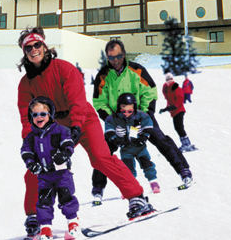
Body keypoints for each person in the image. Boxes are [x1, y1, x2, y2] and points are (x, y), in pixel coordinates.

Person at [16, 27, 154, 239]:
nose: (34, 50)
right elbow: (27, 117)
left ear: (44, 46)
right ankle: (34, 216)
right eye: (28, 47)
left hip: (82, 119)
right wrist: (31, 144)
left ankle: (137, 197)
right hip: (52, 128)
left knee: (100, 158)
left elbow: (77, 101)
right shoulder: (26, 83)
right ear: (24, 52)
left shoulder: (64, 69)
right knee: (36, 169)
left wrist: (76, 128)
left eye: (37, 45)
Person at [92, 40, 192, 199]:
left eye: (118, 56)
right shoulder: (103, 75)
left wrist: (142, 116)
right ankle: (97, 188)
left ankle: (183, 170)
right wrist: (112, 120)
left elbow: (149, 92)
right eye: (111, 58)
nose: (115, 60)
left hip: (141, 117)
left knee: (160, 139)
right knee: (104, 151)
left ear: (123, 54)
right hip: (118, 121)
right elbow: (99, 101)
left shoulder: (137, 70)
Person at [21, 96, 80, 240]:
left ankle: (73, 224)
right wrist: (30, 163)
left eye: (42, 114)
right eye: (35, 114)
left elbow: (68, 143)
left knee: (66, 197)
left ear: (50, 114)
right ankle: (46, 229)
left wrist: (64, 154)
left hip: (61, 172)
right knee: (44, 201)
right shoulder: (31, 136)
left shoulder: (60, 130)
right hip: (44, 175)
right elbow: (26, 151)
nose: (38, 117)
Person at [104, 93, 161, 196]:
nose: (126, 113)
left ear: (134, 107)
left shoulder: (141, 115)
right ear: (119, 107)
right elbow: (109, 129)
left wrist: (143, 137)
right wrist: (116, 139)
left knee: (146, 164)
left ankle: (154, 183)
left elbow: (148, 126)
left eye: (130, 111)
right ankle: (130, 188)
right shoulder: (113, 118)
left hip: (140, 147)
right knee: (128, 169)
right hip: (126, 149)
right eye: (123, 110)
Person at [161, 73, 196, 152]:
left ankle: (186, 144)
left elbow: (180, 98)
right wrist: (165, 109)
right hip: (174, 111)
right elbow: (169, 101)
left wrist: (175, 106)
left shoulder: (176, 87)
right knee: (177, 127)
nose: (169, 81)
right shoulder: (167, 89)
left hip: (179, 110)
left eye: (170, 79)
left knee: (179, 127)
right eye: (167, 79)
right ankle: (186, 143)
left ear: (172, 79)